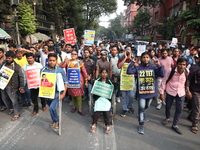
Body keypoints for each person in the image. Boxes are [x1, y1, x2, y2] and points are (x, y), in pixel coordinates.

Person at [127, 52, 164, 134]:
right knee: (141, 108)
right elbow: (129, 72)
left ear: (150, 59)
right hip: (141, 94)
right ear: (141, 59)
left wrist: (159, 65)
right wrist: (132, 62)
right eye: (144, 57)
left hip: (151, 93)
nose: (145, 59)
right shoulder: (138, 68)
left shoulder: (154, 68)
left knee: (146, 106)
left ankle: (143, 115)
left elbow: (162, 74)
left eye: (147, 57)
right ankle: (141, 124)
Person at [160, 57, 188, 135]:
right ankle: (167, 118)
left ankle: (175, 125)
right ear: (177, 64)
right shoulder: (171, 71)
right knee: (168, 106)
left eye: (184, 65)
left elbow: (187, 82)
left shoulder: (186, 71)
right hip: (170, 91)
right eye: (180, 64)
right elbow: (164, 81)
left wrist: (188, 91)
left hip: (181, 93)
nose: (182, 66)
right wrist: (162, 93)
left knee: (179, 109)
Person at [41, 53, 68, 129]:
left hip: (56, 94)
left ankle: (56, 121)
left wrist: (63, 94)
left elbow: (66, 82)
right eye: (50, 60)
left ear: (56, 61)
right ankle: (55, 120)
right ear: (47, 61)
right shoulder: (43, 70)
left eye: (53, 60)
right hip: (47, 94)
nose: (52, 62)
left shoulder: (59, 70)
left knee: (51, 108)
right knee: (52, 109)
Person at [60, 50, 88, 116]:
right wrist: (64, 61)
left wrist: (86, 80)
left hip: (79, 81)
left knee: (79, 95)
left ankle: (80, 109)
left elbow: (84, 72)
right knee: (72, 94)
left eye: (75, 54)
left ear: (77, 55)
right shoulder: (68, 62)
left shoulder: (80, 63)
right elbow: (61, 66)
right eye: (72, 54)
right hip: (71, 80)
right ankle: (74, 107)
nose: (73, 55)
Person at [89, 68, 117, 134]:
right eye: (103, 73)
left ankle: (107, 126)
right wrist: (89, 79)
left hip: (106, 99)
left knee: (106, 111)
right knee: (97, 111)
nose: (104, 74)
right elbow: (92, 82)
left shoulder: (110, 81)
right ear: (100, 74)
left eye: (105, 73)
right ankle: (94, 125)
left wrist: (115, 83)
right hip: (98, 98)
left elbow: (114, 88)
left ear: (107, 74)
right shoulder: (97, 81)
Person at [0, 51, 25, 121]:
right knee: (4, 98)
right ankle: (11, 108)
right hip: (3, 85)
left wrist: (22, 86)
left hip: (12, 86)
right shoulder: (3, 64)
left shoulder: (17, 67)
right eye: (7, 58)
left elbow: (21, 77)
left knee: (14, 100)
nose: (8, 59)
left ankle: (17, 113)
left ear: (13, 58)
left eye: (9, 58)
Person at [118, 46, 136, 117]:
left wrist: (130, 59)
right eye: (127, 49)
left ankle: (130, 106)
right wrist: (125, 58)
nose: (128, 51)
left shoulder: (133, 58)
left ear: (131, 51)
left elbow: (137, 65)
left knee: (131, 95)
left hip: (131, 80)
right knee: (124, 95)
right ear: (124, 51)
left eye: (129, 49)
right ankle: (125, 109)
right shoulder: (121, 58)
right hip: (123, 80)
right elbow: (119, 66)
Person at [186, 51, 200, 134]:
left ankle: (191, 116)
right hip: (195, 91)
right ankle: (195, 124)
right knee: (197, 108)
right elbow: (188, 79)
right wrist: (187, 90)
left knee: (196, 108)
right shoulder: (194, 67)